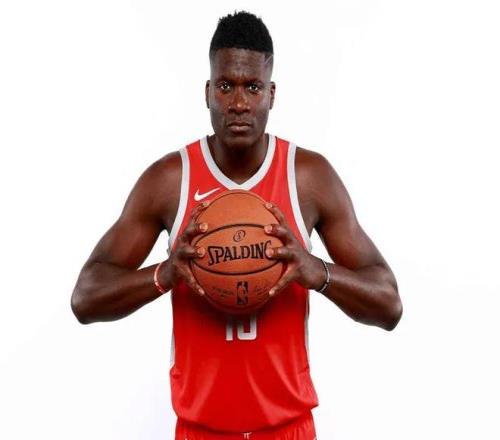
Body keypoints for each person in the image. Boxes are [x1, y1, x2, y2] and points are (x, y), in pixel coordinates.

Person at [71, 10, 402, 440]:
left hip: (287, 429)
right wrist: (164, 274)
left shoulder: (308, 178)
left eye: (253, 87)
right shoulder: (170, 180)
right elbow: (85, 297)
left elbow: (389, 304)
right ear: (208, 92)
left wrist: (317, 271)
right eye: (226, 86)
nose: (240, 103)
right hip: (200, 431)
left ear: (272, 94)